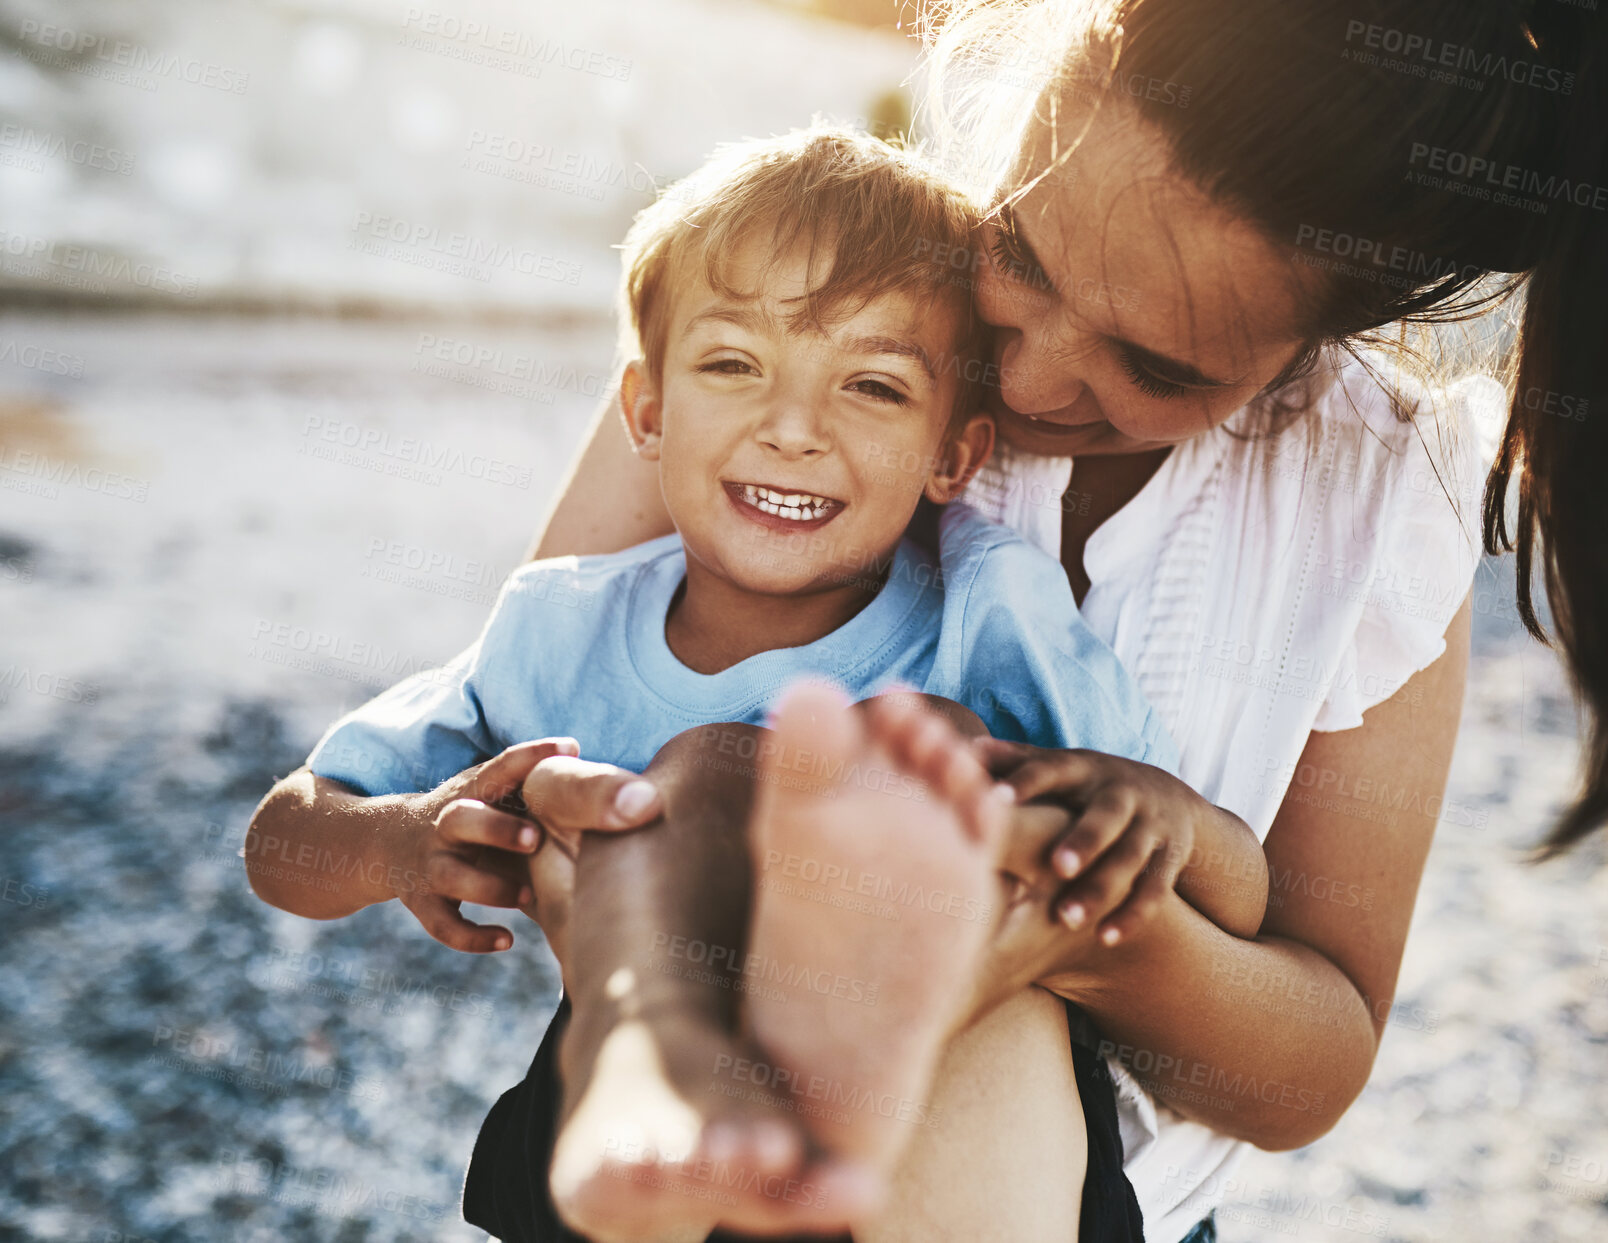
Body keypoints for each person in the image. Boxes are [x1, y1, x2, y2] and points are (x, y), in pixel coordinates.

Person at [447, 2, 1608, 1240]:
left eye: (1160, 369)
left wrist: (1069, 921)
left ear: (1318, 339)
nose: (1038, 380)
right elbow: (517, 745)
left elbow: (1305, 1070)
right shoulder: (795, 318)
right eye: (1024, 260)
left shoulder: (1374, 498)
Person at [245, 127, 1267, 1241]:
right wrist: (405, 836)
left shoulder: (987, 614)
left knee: (901, 748)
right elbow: (287, 836)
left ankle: (833, 1042)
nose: (793, 428)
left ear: (953, 456)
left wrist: (1164, 815)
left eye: (872, 386)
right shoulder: (561, 629)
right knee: (701, 775)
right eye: (733, 365)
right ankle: (658, 1062)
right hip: (656, 1154)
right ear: (646, 410)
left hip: (963, 1131)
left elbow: (1237, 897)